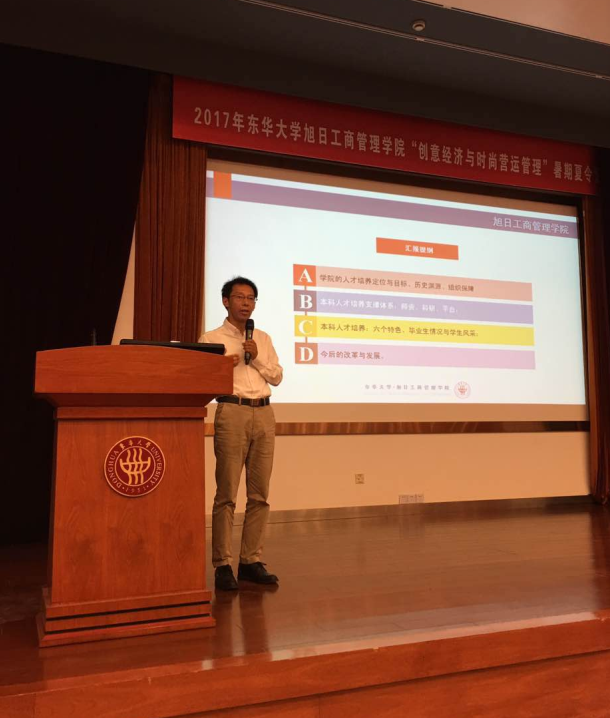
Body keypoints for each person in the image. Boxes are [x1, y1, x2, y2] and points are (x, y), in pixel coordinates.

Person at [200, 277, 283, 591]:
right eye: (240, 297)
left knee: (260, 494)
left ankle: (250, 560)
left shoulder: (262, 337)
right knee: (226, 494)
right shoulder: (211, 338)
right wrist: (222, 368)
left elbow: (277, 376)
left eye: (251, 298)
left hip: (264, 413)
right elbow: (203, 382)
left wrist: (256, 356)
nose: (246, 303)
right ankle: (223, 564)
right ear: (226, 301)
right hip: (232, 411)